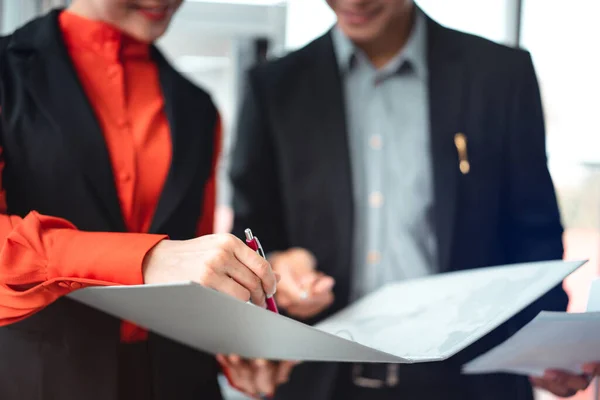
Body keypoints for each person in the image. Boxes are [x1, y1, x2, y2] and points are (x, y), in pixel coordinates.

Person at [227, 0, 571, 399]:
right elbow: (253, 231)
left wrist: (551, 347)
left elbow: (534, 232)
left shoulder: (499, 76)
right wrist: (280, 270)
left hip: (468, 383)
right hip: (320, 382)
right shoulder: (274, 87)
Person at [0, 1, 285, 399]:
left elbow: (197, 270)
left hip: (180, 383)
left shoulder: (197, 106)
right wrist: (147, 258)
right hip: (41, 381)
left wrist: (237, 348)